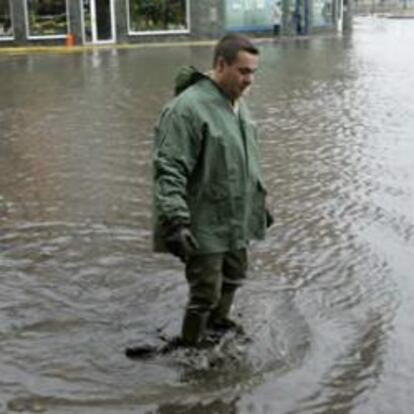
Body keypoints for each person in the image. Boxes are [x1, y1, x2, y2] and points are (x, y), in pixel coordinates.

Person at [152, 34, 272, 348]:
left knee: (234, 275)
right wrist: (176, 221)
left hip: (236, 215)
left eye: (254, 72)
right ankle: (192, 347)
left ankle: (219, 322)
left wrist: (259, 202)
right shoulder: (186, 110)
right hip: (203, 219)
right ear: (221, 65)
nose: (249, 80)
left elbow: (244, 159)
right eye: (243, 71)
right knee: (205, 289)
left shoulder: (237, 103)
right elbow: (169, 169)